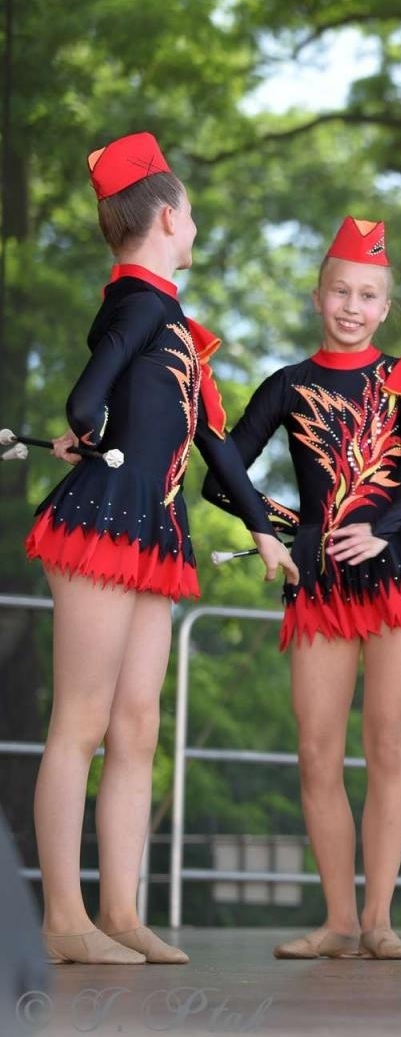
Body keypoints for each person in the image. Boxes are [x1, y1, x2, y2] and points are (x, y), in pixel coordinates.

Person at [25, 132, 295, 965]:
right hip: (105, 520)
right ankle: (64, 921)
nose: (196, 227)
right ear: (170, 218)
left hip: (151, 529)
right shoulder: (142, 303)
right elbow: (83, 399)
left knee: (137, 726)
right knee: (81, 721)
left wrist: (262, 528)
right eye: (194, 217)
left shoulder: (171, 319)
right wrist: (87, 431)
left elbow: (213, 443)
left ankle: (122, 914)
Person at [204, 217, 401, 961]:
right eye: (341, 291)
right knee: (316, 751)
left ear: (386, 307)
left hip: (398, 573)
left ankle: (380, 918)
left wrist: (381, 527)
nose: (353, 305)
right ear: (318, 295)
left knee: (387, 741)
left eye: (369, 295)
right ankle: (338, 921)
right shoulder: (287, 385)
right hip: (319, 581)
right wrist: (287, 523)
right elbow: (223, 476)